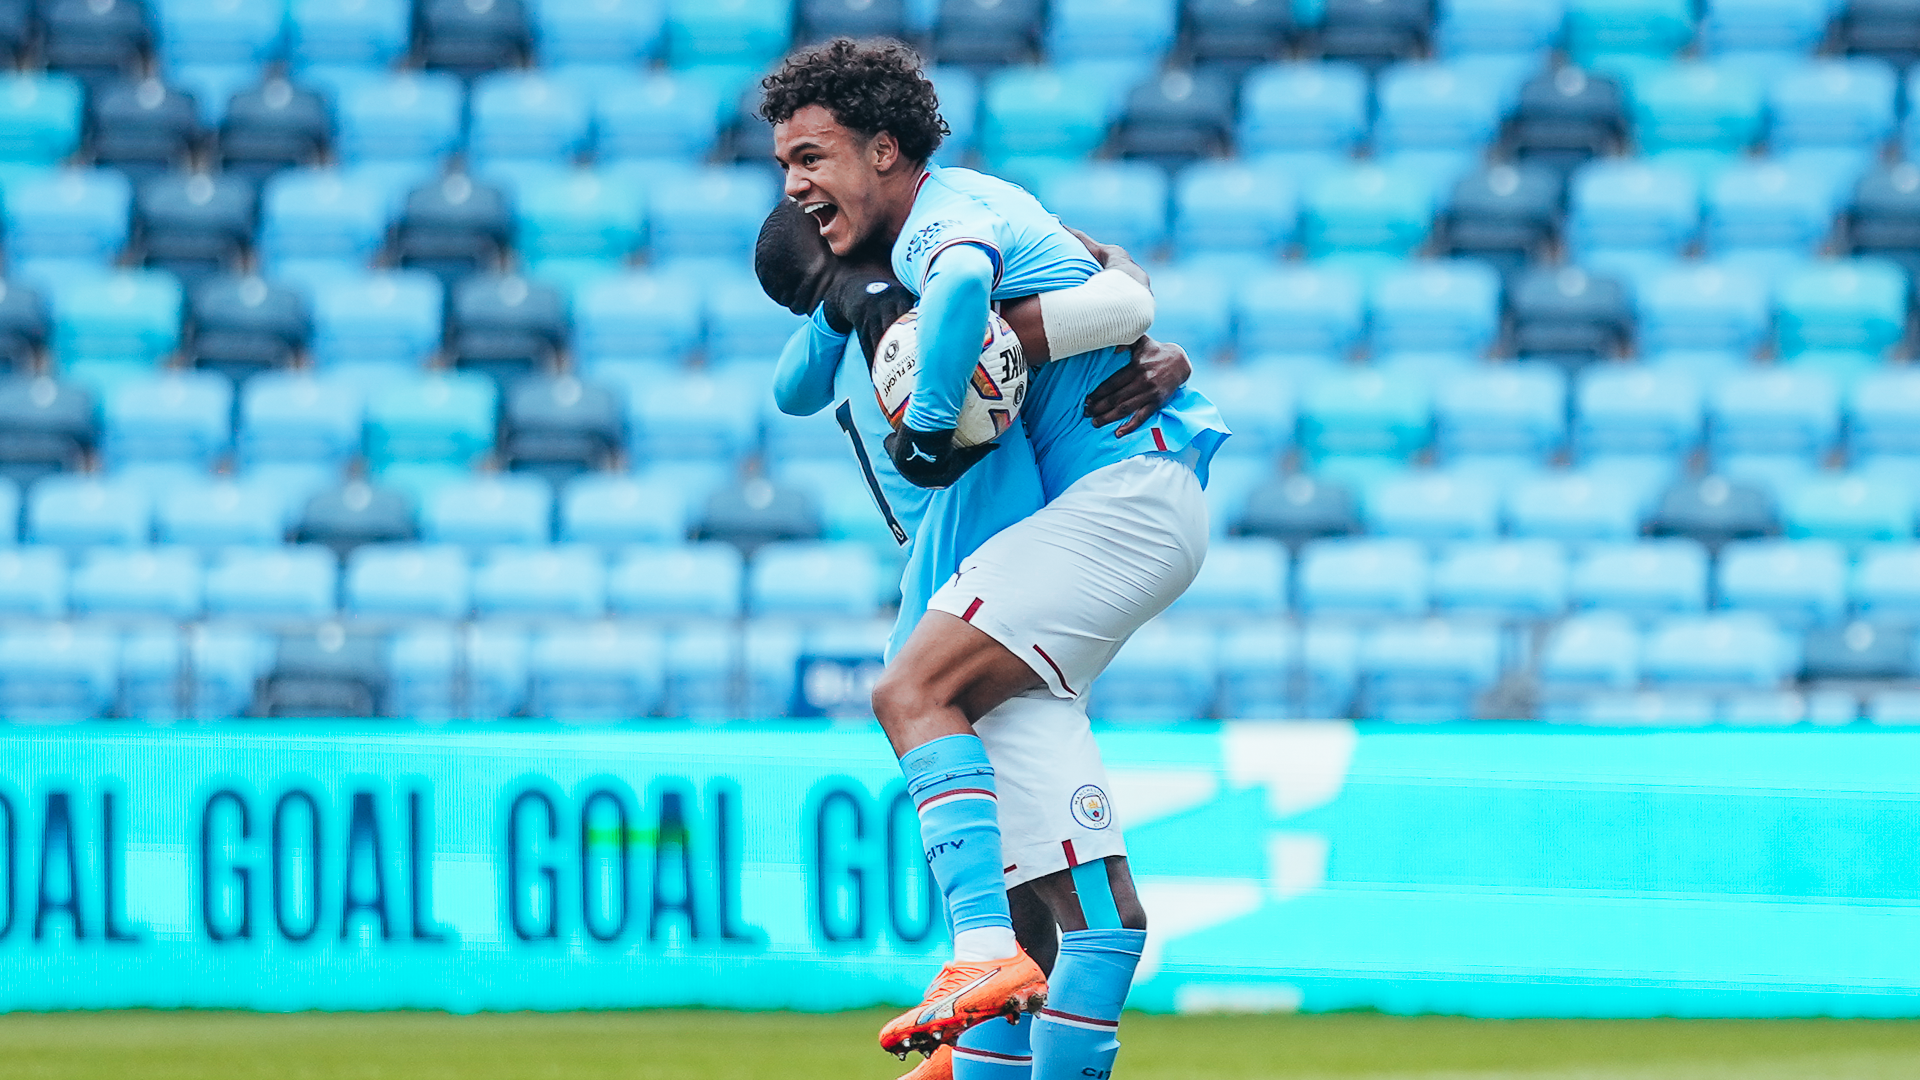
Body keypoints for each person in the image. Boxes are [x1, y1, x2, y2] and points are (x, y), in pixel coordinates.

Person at [760, 36, 1231, 1078]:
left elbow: (1050, 282)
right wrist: (842, 301)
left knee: (914, 688)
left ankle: (971, 956)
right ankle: (993, 1002)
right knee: (1071, 917)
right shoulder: (881, 276)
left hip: (1117, 492)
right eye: (783, 165)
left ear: (885, 151)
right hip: (1069, 521)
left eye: (812, 158)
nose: (793, 186)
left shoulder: (946, 220)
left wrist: (930, 423)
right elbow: (794, 389)